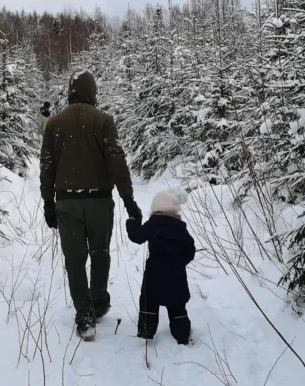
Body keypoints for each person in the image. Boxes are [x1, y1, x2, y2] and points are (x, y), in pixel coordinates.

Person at [40, 70, 142, 341]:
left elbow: (47, 167)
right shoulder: (103, 121)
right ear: (93, 92)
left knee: (74, 260)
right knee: (100, 252)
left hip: (67, 203)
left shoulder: (55, 124)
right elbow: (117, 163)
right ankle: (99, 303)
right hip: (99, 201)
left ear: (70, 91)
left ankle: (84, 316)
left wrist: (48, 203)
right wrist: (129, 201)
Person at [127, 191, 195, 345]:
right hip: (176, 274)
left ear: (155, 209)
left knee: (149, 301)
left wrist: (132, 222)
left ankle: (146, 330)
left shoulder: (153, 224)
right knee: (177, 305)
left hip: (154, 272)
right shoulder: (180, 228)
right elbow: (190, 250)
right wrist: (179, 262)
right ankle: (182, 334)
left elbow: (137, 236)